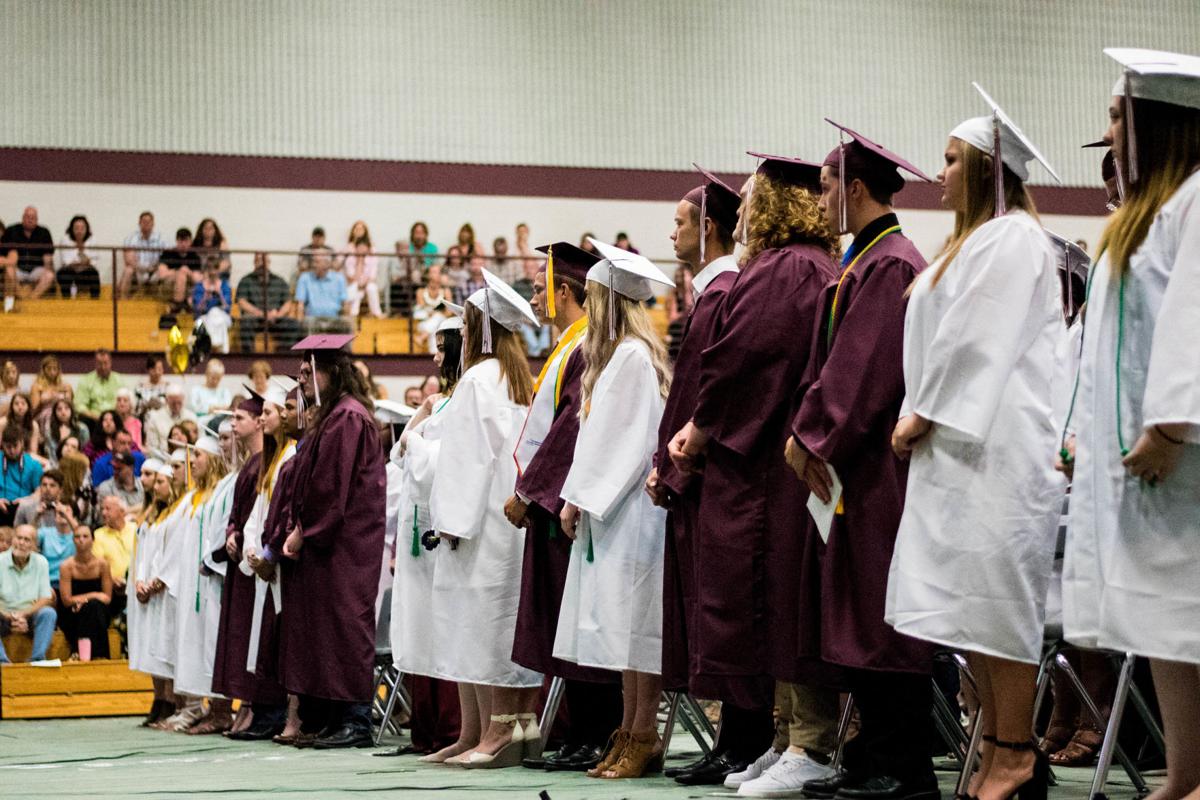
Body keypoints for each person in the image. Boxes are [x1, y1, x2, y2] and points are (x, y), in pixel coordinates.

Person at [667, 155, 844, 788]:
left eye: (748, 199)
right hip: (774, 455)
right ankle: (786, 737)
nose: (740, 211)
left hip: (774, 464)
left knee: (786, 604)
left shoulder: (787, 267)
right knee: (777, 604)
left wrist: (702, 427)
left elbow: (746, 358)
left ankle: (809, 745)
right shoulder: (802, 265)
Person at [782, 125, 942, 800]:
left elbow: (863, 370)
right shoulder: (864, 260)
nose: (818, 201)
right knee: (859, 611)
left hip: (879, 468)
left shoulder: (891, 264)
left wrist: (810, 436)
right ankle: (872, 752)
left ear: (854, 188)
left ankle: (902, 766)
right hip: (857, 466)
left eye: (824, 187)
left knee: (881, 616)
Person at [1062, 48, 1200, 800]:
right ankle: (1184, 777)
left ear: (1158, 123)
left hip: (1182, 456)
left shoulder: (1198, 201)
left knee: (1192, 618)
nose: (1110, 130)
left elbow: (1193, 319)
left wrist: (1172, 425)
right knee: (1167, 627)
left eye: (1119, 116)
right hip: (1148, 460)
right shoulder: (1147, 216)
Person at [647, 164, 753, 786]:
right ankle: (731, 741)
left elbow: (705, 395)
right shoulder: (712, 294)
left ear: (708, 227)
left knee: (726, 611)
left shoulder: (723, 293)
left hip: (712, 479)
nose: (672, 234)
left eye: (680, 222)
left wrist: (672, 468)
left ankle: (741, 741)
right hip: (696, 479)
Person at [553, 239, 672, 780]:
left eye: (594, 297)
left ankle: (643, 734)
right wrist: (578, 494)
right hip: (614, 511)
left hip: (631, 512)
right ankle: (627, 730)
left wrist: (580, 497)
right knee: (624, 632)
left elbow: (626, 443)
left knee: (638, 632)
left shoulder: (631, 358)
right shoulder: (618, 357)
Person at [415, 275, 542, 767]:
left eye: (467, 327)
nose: (462, 336)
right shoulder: (517, 378)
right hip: (506, 517)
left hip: (479, 521)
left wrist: (449, 521)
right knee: (494, 624)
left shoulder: (476, 380)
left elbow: (465, 459)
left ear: (482, 330)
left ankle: (497, 731)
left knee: (484, 627)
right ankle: (492, 729)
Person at [505, 242, 623, 772]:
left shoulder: (585, 347)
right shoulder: (566, 347)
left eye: (539, 288)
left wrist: (531, 492)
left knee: (579, 620)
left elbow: (571, 428)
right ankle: (580, 732)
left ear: (566, 292)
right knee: (563, 621)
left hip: (566, 506)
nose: (534, 298)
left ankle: (596, 732)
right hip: (555, 505)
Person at [264, 333, 386, 749]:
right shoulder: (331, 416)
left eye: (307, 371)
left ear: (331, 372)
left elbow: (331, 486)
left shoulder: (347, 417)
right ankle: (332, 719)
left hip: (346, 544)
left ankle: (355, 719)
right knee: (324, 629)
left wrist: (304, 531)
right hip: (328, 544)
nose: (300, 379)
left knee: (345, 626)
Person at [384, 310, 464, 758]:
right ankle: (425, 726)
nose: (434, 358)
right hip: (417, 529)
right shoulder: (440, 402)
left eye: (440, 349)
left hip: (438, 526)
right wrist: (421, 416)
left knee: (442, 626)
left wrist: (415, 441)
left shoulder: (464, 400)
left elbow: (433, 461)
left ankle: (450, 727)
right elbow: (398, 455)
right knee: (419, 626)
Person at [210, 392, 277, 740]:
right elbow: (238, 514)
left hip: (256, 561)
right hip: (241, 558)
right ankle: (244, 705)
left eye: (240, 418)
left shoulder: (267, 462)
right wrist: (232, 533)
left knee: (253, 635)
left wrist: (241, 536)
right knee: (240, 636)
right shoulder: (251, 464)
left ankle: (253, 705)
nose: (234, 424)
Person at [166, 436, 236, 734]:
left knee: (212, 644)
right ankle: (198, 707)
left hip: (210, 578)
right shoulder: (197, 495)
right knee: (196, 644)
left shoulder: (221, 490)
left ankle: (220, 711)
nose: (191, 461)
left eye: (197, 454)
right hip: (192, 580)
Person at [129, 461, 183, 726]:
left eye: (160, 480)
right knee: (151, 644)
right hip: (146, 584)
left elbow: (168, 552)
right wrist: (140, 580)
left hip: (163, 586)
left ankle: (170, 700)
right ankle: (159, 697)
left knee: (166, 645)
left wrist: (156, 580)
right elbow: (144, 553)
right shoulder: (151, 514)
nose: (153, 484)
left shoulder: (174, 514)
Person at [0, 525, 57, 662]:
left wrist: (24, 614)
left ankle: (37, 659)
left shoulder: (41, 562)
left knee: (48, 613)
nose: (21, 543)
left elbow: (45, 597)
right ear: (13, 539)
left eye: (27, 540)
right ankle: (2, 661)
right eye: (19, 538)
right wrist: (8, 616)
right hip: (3, 615)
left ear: (34, 545)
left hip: (30, 615)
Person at [58, 525, 114, 659]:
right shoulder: (66, 566)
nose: (81, 540)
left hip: (99, 610)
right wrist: (93, 595)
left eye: (85, 536)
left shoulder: (103, 564)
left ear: (93, 540)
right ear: (73, 540)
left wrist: (85, 601)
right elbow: (66, 601)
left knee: (93, 608)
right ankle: (97, 655)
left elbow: (107, 598)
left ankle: (85, 654)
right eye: (77, 537)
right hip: (73, 611)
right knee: (90, 607)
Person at [237, 253, 299, 352]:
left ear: (269, 262)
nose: (262, 263)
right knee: (245, 323)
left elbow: (288, 303)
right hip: (256, 318)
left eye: (264, 260)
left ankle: (283, 355)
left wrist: (278, 314)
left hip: (276, 318)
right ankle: (249, 357)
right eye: (258, 260)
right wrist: (260, 313)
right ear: (254, 262)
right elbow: (242, 302)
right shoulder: (246, 280)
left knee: (293, 324)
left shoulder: (279, 280)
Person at [92, 494, 136, 617]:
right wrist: (112, 580)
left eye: (108, 509)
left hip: (137, 585)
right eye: (102, 509)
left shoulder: (135, 529)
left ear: (121, 511)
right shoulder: (98, 535)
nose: (103, 513)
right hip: (113, 589)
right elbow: (98, 567)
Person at [2, 206, 55, 308]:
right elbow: (7, 254)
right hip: (17, 269)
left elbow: (48, 257)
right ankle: (20, 298)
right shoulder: (11, 230)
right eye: (27, 217)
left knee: (49, 275)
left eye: (33, 218)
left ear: (37, 219)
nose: (30, 220)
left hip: (36, 270)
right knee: (9, 270)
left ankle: (31, 299)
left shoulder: (44, 232)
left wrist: (48, 269)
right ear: (22, 218)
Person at [294, 251, 351, 334]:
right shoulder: (305, 278)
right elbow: (300, 304)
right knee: (308, 323)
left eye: (317, 262)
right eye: (313, 261)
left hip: (334, 319)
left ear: (327, 264)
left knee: (347, 323)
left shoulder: (339, 278)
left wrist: (346, 317)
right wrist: (299, 323)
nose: (313, 265)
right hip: (313, 318)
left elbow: (345, 303)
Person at [117, 210, 169, 298]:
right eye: (144, 221)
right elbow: (129, 260)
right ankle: (123, 300)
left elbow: (166, 258)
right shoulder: (131, 238)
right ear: (139, 223)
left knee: (164, 270)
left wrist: (154, 268)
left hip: (155, 270)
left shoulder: (161, 239)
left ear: (153, 223)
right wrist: (143, 268)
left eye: (149, 221)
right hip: (138, 271)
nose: (146, 224)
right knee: (128, 270)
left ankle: (164, 302)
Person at [1, 426, 43, 527]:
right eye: (8, 447)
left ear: (22, 443)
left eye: (15, 446)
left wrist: (27, 501)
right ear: (2, 445)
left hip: (23, 507)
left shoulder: (34, 464)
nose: (12, 450)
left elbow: (39, 492)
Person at [191, 258, 234, 354]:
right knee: (201, 322)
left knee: (215, 312)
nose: (213, 272)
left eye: (215, 269)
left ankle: (212, 347)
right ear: (207, 270)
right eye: (210, 269)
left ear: (218, 270)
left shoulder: (225, 286)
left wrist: (220, 294)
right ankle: (219, 349)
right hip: (205, 317)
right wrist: (205, 298)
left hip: (222, 317)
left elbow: (227, 308)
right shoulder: (199, 287)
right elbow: (197, 310)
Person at [55, 214, 102, 299]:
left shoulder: (92, 240)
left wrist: (81, 251)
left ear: (87, 229)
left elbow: (93, 263)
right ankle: (66, 301)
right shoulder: (65, 239)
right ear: (71, 229)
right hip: (69, 271)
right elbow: (66, 261)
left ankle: (95, 302)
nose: (79, 231)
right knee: (64, 273)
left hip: (85, 272)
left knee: (94, 273)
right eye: (76, 228)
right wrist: (83, 260)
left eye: (82, 228)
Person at [156, 228, 202, 312]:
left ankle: (177, 305)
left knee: (185, 275)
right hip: (169, 287)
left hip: (188, 289)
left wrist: (187, 272)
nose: (183, 244)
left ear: (190, 242)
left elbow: (198, 279)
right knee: (181, 275)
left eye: (186, 241)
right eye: (181, 241)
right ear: (177, 241)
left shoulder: (194, 256)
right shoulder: (167, 253)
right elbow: (162, 275)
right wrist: (179, 271)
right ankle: (179, 304)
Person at [75, 349, 125, 426]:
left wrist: (110, 418)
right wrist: (95, 416)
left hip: (114, 419)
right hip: (93, 420)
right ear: (95, 363)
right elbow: (79, 405)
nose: (103, 367)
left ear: (110, 363)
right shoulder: (86, 380)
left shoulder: (119, 380)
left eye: (105, 363)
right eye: (99, 364)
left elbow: (125, 402)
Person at [144, 383, 197, 453]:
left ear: (183, 399)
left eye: (179, 403)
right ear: (166, 400)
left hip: (189, 455)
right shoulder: (155, 418)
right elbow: (152, 447)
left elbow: (198, 443)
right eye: (173, 403)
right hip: (163, 456)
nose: (177, 407)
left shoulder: (191, 416)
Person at [31, 354, 74, 431]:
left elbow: (70, 406)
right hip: (45, 415)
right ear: (43, 370)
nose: (52, 372)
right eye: (49, 369)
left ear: (59, 370)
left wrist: (67, 396)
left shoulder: (65, 386)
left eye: (55, 368)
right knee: (49, 419)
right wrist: (43, 402)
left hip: (62, 412)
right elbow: (33, 410)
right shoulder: (37, 386)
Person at [96, 451, 146, 517]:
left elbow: (151, 506)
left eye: (119, 469)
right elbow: (114, 514)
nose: (115, 472)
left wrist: (128, 510)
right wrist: (140, 508)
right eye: (114, 468)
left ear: (131, 468)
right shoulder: (106, 487)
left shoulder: (142, 484)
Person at [344, 237, 384, 319]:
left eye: (364, 247)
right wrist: (359, 262)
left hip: (367, 283)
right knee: (354, 288)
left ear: (368, 248)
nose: (361, 249)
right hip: (354, 283)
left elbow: (372, 276)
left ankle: (377, 313)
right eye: (359, 247)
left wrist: (364, 284)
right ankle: (353, 314)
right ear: (355, 248)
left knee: (372, 288)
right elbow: (351, 277)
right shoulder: (350, 259)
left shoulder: (372, 258)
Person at [43, 400, 89, 469]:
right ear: (55, 413)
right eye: (59, 409)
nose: (63, 412)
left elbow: (85, 451)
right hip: (55, 466)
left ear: (72, 410)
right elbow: (51, 454)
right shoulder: (50, 431)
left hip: (76, 465)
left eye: (66, 408)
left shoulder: (82, 429)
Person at [0, 392, 41, 456]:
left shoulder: (34, 425)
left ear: (28, 406)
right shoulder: (3, 423)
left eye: (23, 403)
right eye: (16, 404)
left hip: (25, 456)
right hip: (5, 455)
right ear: (12, 407)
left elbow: (33, 451)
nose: (20, 407)